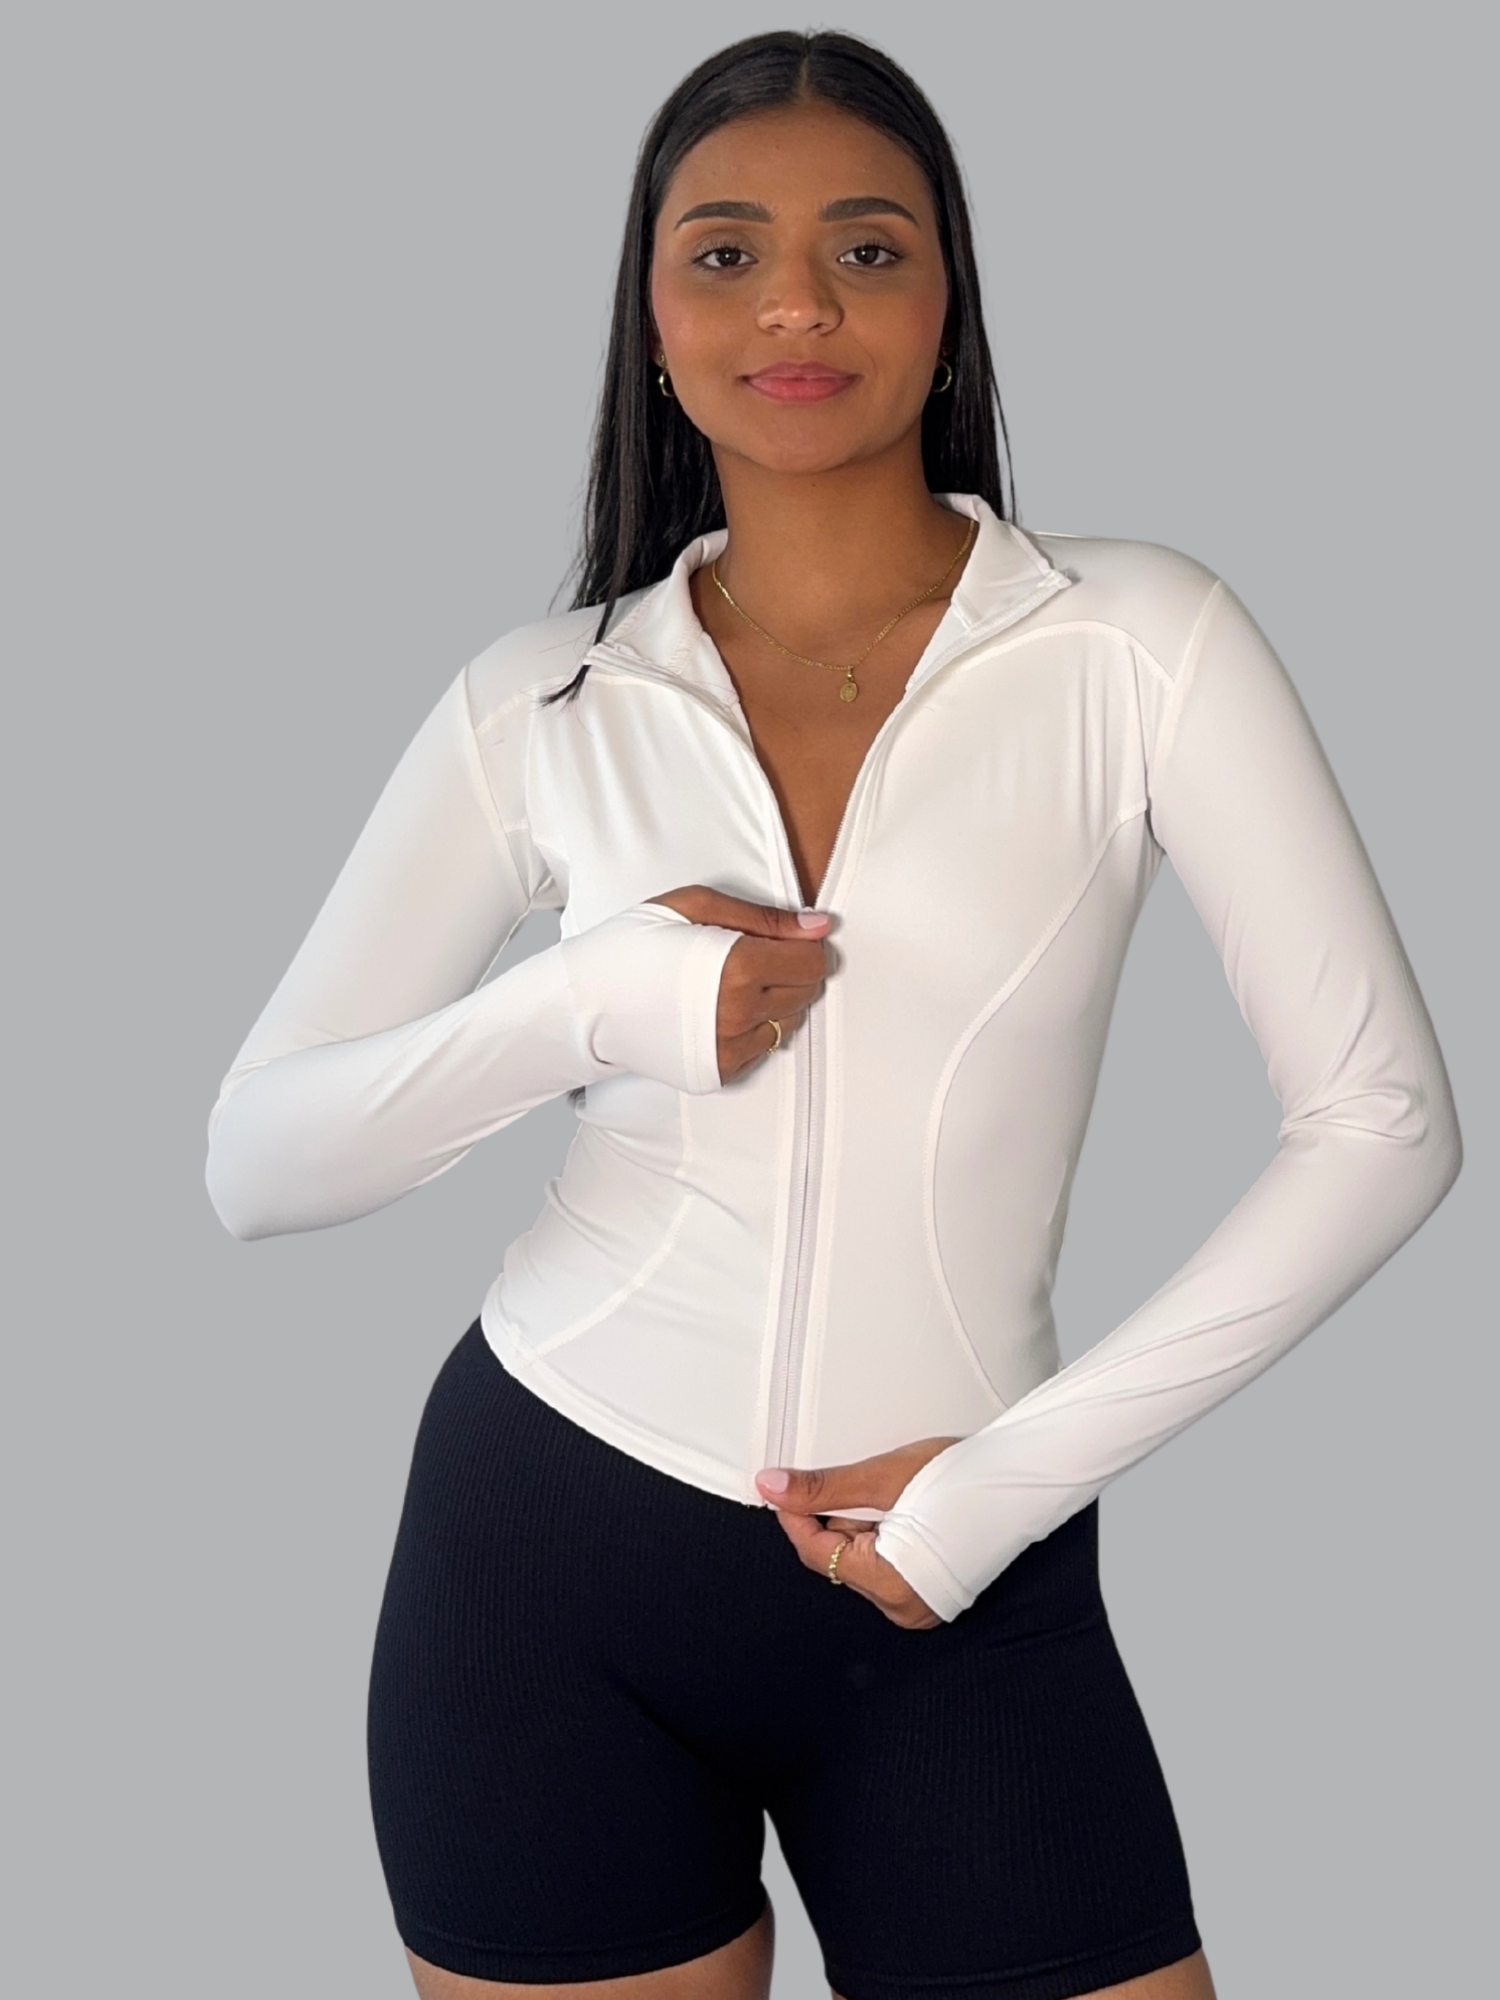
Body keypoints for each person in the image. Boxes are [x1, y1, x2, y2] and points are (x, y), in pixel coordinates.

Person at [204, 28, 1461, 2000]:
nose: (795, 302)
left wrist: (1002, 1489)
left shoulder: (1136, 641)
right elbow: (255, 1160)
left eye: (868, 250)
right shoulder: (542, 699)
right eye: (725, 254)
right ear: (652, 317)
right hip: (548, 1553)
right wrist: (594, 1003)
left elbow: (1383, 1123)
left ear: (948, 304)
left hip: (965, 1558)